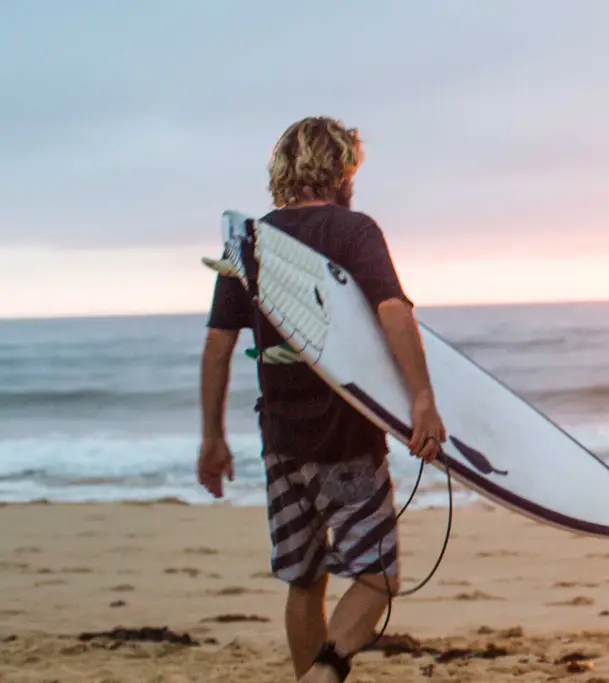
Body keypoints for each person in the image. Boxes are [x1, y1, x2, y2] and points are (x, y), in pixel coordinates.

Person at [197, 116, 448, 683]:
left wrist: (212, 438)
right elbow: (393, 311)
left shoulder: (249, 242)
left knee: (304, 582)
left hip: (280, 442)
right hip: (348, 440)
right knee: (378, 576)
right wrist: (422, 399)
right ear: (342, 170)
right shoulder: (353, 231)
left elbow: (217, 346)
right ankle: (326, 671)